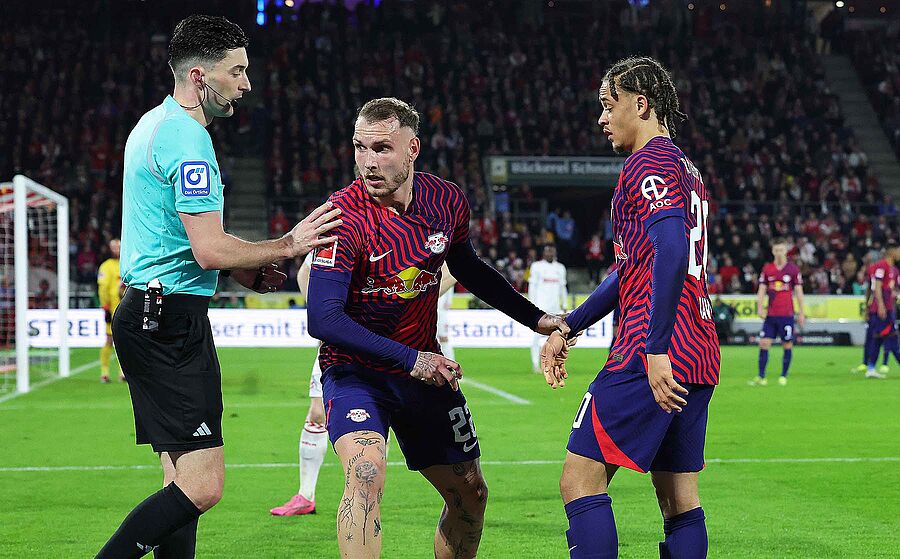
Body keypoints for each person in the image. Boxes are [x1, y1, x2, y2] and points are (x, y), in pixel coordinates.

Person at [96, 15, 341, 558]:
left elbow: (178, 240)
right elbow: (208, 249)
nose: (246, 84)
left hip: (149, 312)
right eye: (237, 71)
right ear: (200, 76)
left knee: (180, 480)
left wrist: (242, 267)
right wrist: (288, 244)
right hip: (169, 322)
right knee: (203, 487)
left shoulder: (152, 125)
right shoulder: (189, 141)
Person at [307, 97, 567, 559]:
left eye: (382, 148)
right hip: (357, 372)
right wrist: (413, 359)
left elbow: (470, 269)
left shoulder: (446, 200)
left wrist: (537, 319)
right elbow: (322, 318)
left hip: (423, 374)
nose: (368, 161)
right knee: (365, 474)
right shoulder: (341, 217)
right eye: (360, 147)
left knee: (471, 494)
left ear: (413, 148)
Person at [540, 56, 720, 559]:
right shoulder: (686, 168)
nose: (601, 118)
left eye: (608, 104)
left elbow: (671, 248)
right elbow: (633, 268)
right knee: (679, 499)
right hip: (698, 351)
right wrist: (570, 324)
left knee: (579, 481)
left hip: (650, 350)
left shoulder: (647, 163)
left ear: (640, 105)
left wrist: (656, 348)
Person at [270, 259, 456, 517]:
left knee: (379, 420)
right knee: (317, 413)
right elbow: (305, 272)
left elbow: (452, 272)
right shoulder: (340, 236)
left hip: (392, 342)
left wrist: (407, 299)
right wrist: (325, 313)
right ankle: (305, 495)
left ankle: (368, 495)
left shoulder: (416, 241)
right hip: (342, 343)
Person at [749, 239, 805, 386]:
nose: (779, 253)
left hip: (787, 315)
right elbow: (762, 290)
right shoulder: (768, 269)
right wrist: (760, 307)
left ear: (786, 251)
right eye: (776, 250)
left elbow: (799, 292)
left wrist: (801, 312)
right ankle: (761, 376)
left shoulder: (793, 270)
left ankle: (783, 375)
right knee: (764, 343)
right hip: (771, 314)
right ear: (773, 251)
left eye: (781, 250)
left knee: (787, 344)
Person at [528, 244, 568, 373]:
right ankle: (536, 364)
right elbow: (532, 287)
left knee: (558, 338)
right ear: (543, 253)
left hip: (555, 309)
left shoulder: (560, 268)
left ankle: (554, 364)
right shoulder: (536, 266)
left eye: (552, 251)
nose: (550, 253)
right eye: (548, 251)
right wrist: (532, 305)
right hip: (541, 308)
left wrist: (565, 304)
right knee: (536, 337)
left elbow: (563, 287)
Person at [863, 242, 900, 379]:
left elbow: (891, 289)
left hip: (888, 308)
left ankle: (871, 368)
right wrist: (881, 306)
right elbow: (877, 287)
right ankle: (871, 368)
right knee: (892, 338)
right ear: (892, 252)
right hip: (882, 310)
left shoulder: (893, 269)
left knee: (878, 338)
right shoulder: (881, 266)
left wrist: (894, 295)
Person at [97, 238, 124, 383]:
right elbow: (102, 288)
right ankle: (104, 372)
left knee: (125, 341)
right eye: (113, 247)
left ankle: (123, 372)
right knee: (109, 340)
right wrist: (105, 307)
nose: (116, 249)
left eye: (118, 246)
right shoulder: (106, 266)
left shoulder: (127, 263)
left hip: (125, 307)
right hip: (111, 308)